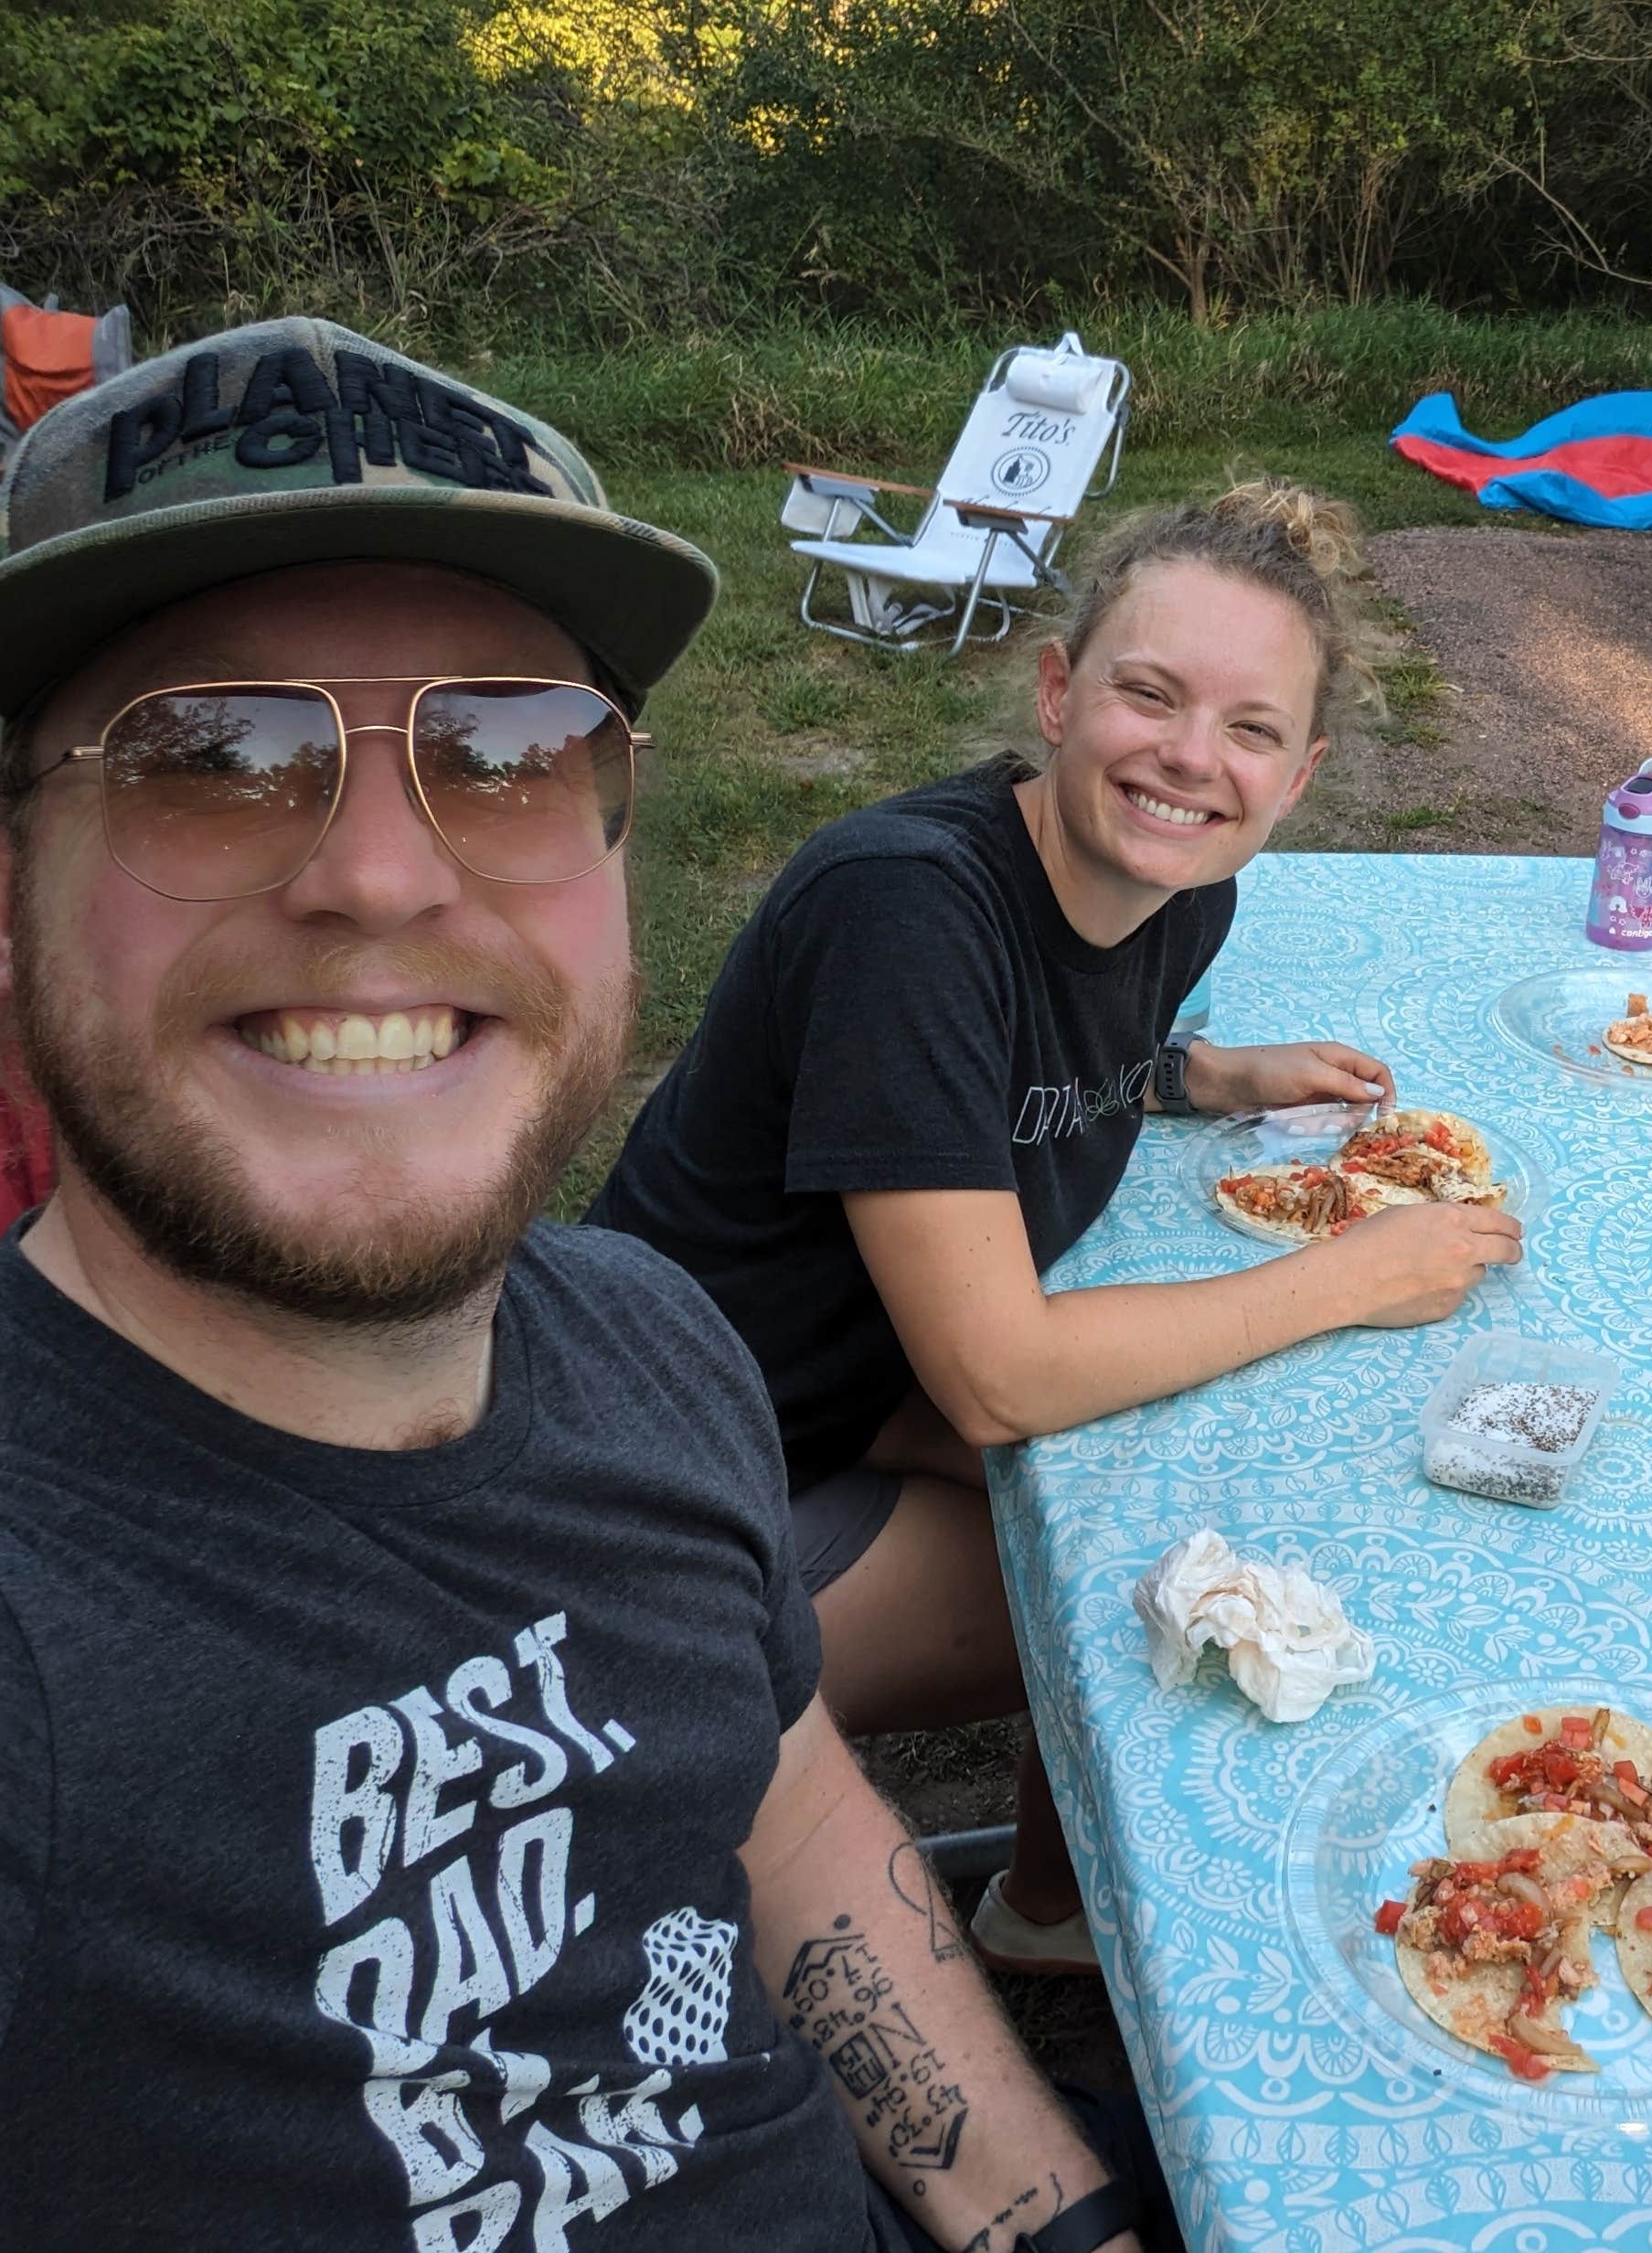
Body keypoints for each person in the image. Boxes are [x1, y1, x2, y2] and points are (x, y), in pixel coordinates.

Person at [0, 317, 1149, 2253]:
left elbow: (782, 1817)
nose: (381, 875)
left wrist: (1050, 2220)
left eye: (507, 746)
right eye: (213, 752)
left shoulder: (642, 1337)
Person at [588, 479, 1521, 1970]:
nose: (1190, 758)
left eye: (1250, 730)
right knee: (1186, 1596)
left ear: (1298, 774)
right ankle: (1042, 1910)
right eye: (1149, 696)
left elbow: (1046, 1056)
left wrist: (1200, 1073)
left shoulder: (1183, 891)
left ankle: (1046, 1902)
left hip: (854, 1399)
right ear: (1056, 691)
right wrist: (1345, 1272)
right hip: (659, 1491)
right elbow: (1002, 1373)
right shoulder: (905, 911)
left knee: (1230, 1485)